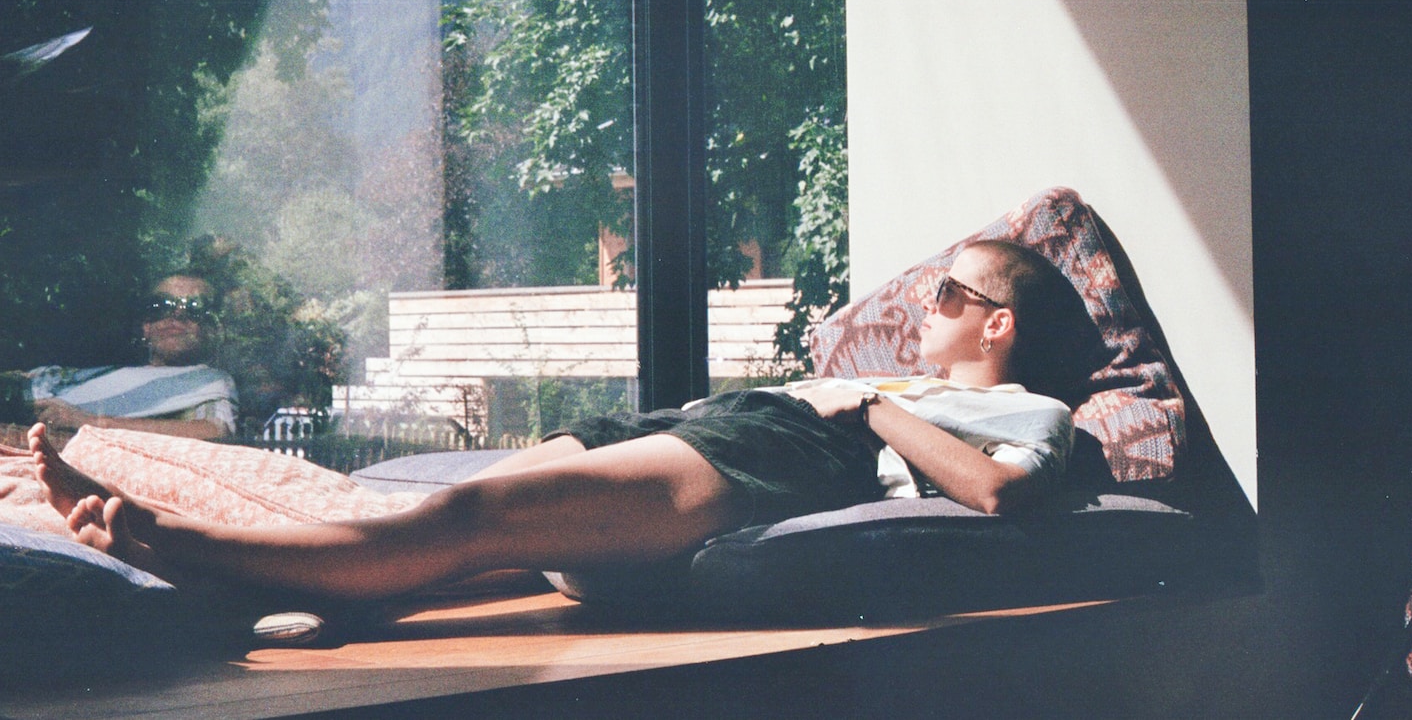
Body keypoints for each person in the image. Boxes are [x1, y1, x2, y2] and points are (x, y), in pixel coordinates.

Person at [24, 241, 1084, 602]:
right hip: (732, 416)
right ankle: (182, 509)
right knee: (435, 499)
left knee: (473, 517)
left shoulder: (1026, 404)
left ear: (996, 324)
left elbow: (1004, 489)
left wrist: (869, 406)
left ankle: (181, 544)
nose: (922, 304)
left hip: (781, 447)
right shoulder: (918, 379)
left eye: (947, 293)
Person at [27, 274, 239, 440]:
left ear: (211, 329)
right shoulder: (101, 375)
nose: (176, 316)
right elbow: (25, 385)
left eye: (195, 308)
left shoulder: (207, 382)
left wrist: (88, 421)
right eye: (161, 306)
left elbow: (214, 431)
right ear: (146, 327)